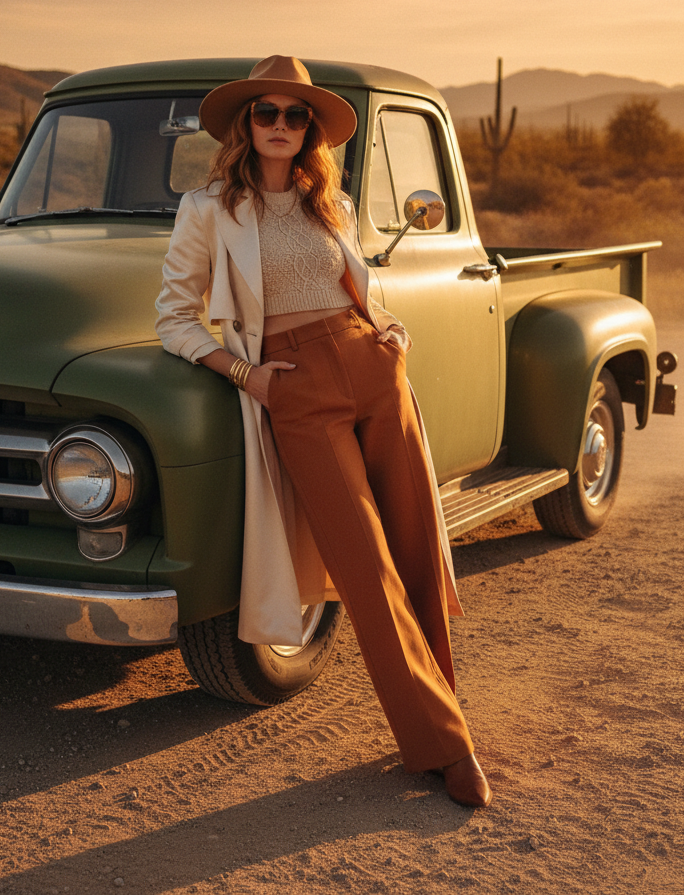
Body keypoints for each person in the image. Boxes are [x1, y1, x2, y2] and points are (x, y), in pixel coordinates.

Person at [155, 55, 492, 808]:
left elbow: (361, 285)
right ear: (246, 124)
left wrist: (392, 335)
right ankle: (445, 746)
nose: (280, 125)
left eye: (294, 114)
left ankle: (447, 710)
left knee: (415, 549)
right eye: (266, 112)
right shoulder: (208, 208)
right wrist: (247, 376)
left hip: (372, 367)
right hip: (296, 387)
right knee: (366, 570)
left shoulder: (323, 200)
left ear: (310, 130)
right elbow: (175, 317)